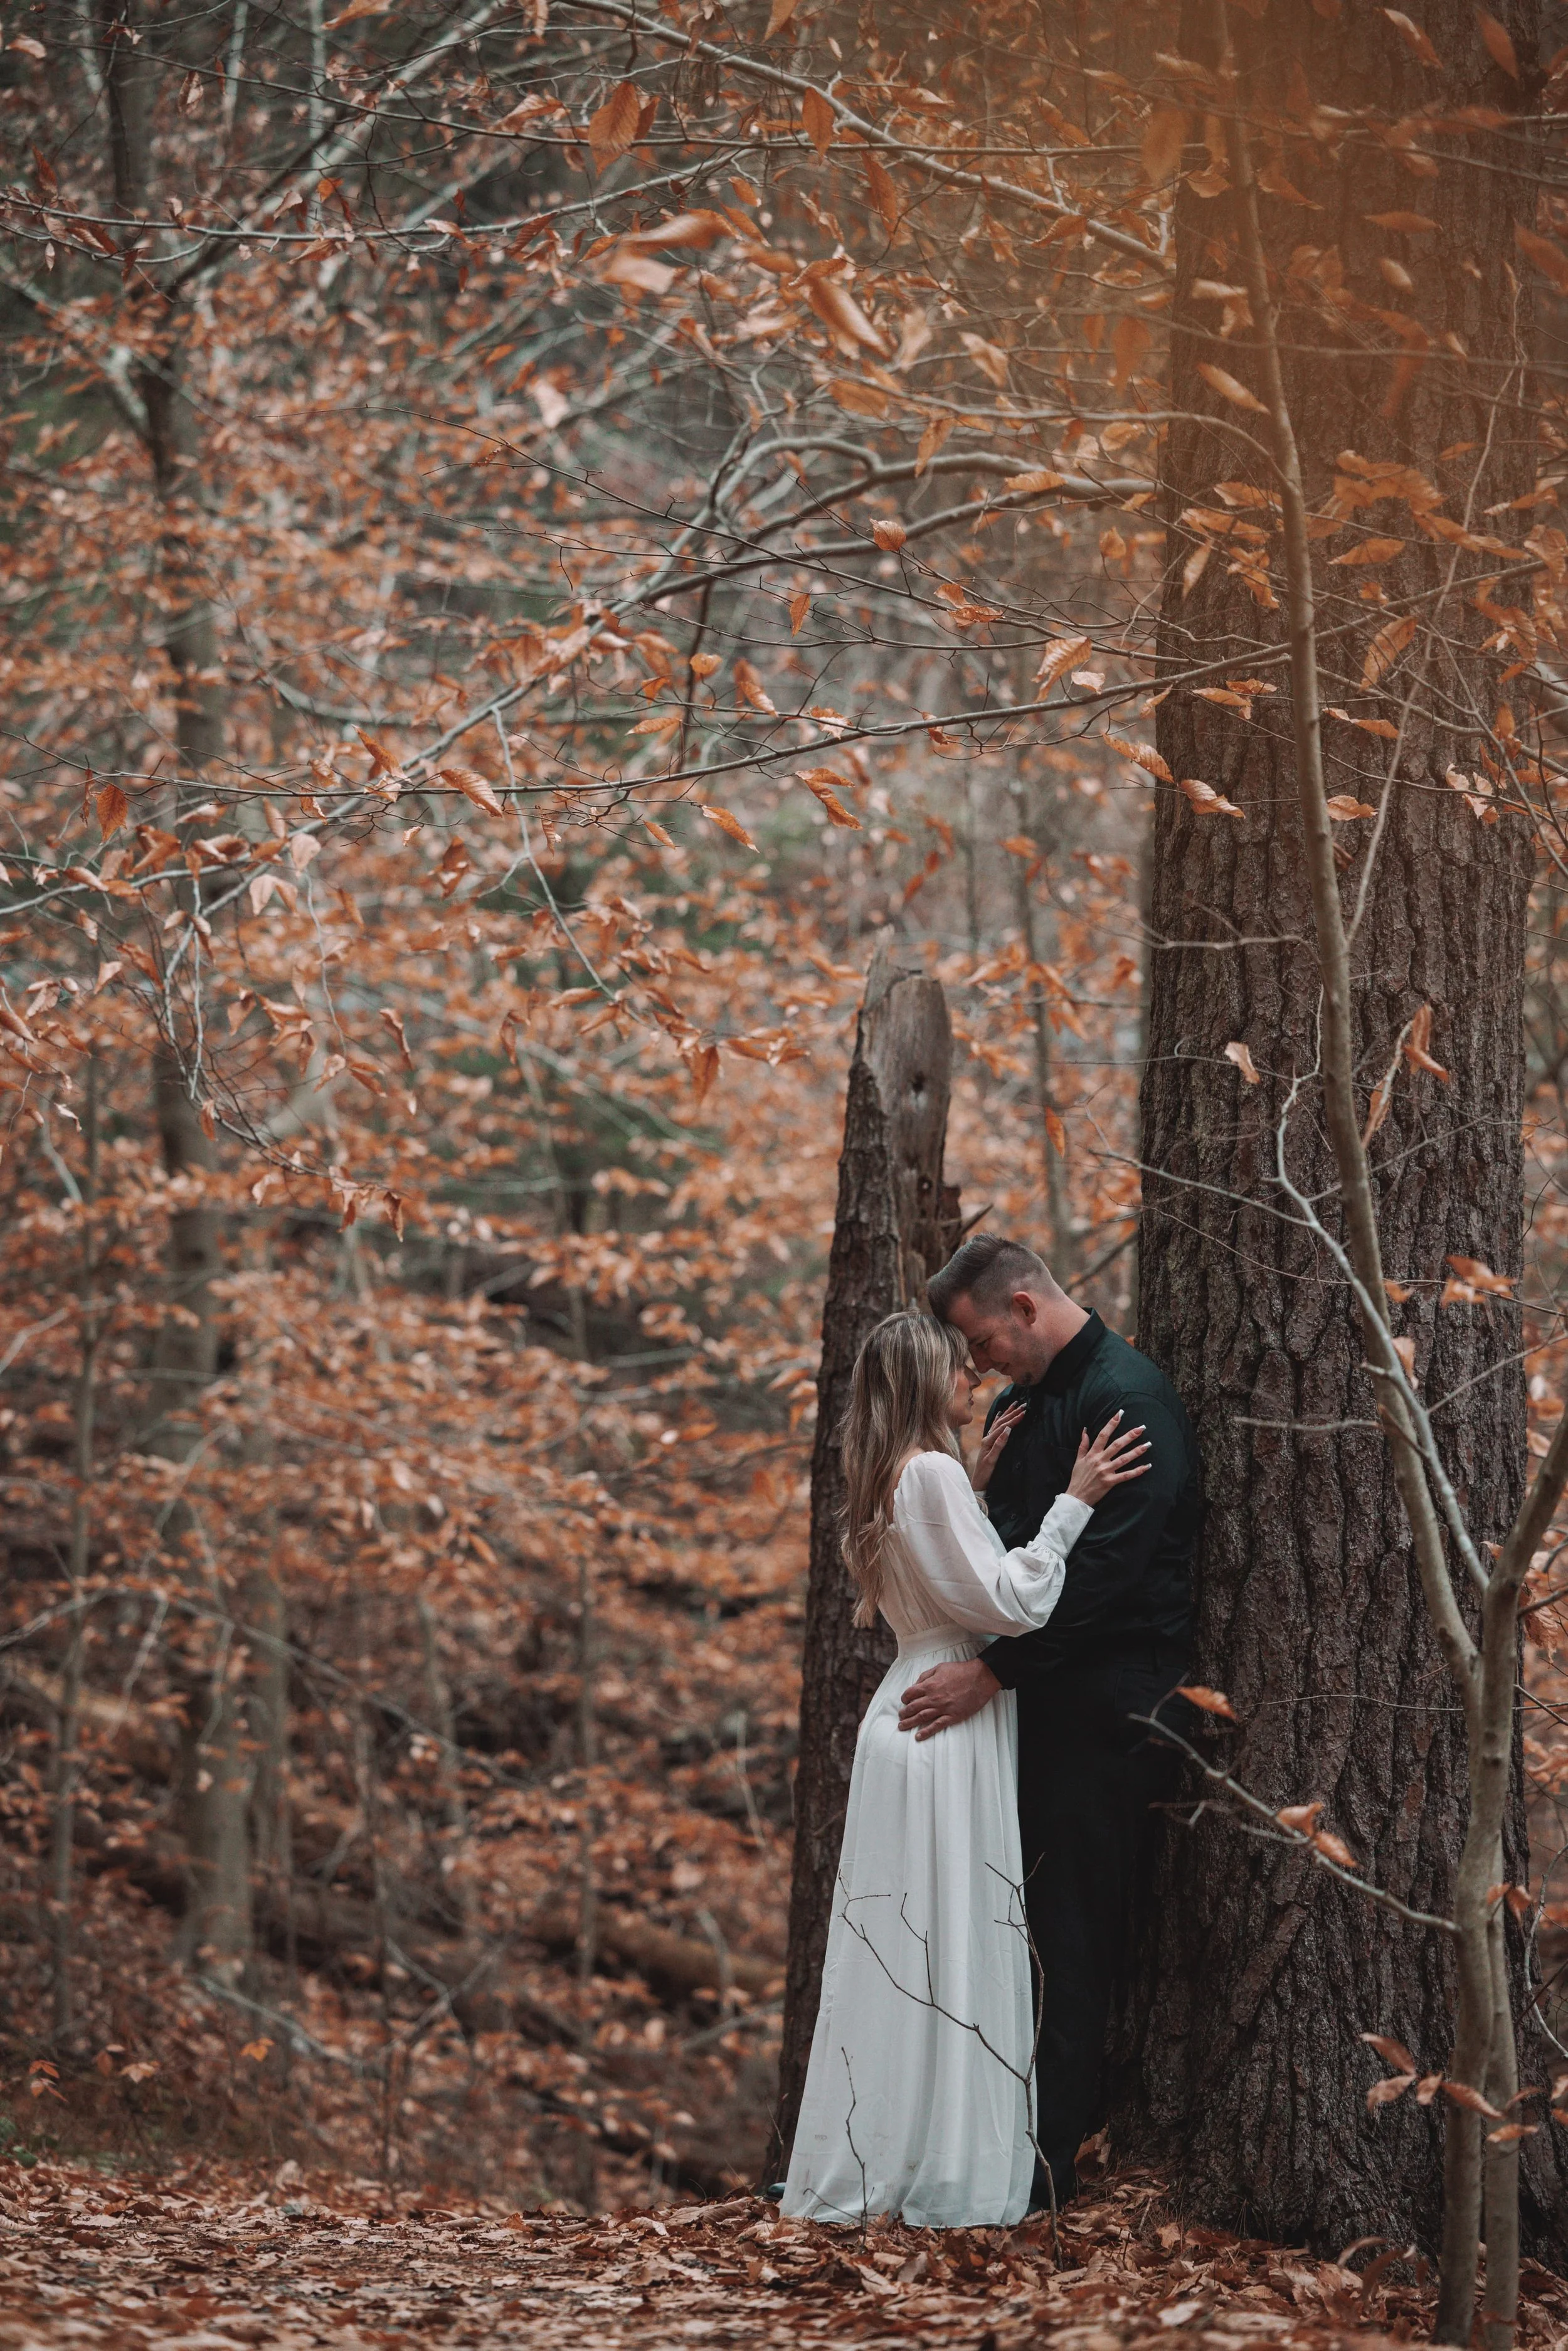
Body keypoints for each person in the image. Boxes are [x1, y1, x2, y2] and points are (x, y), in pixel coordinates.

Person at [781, 1308, 1150, 2229]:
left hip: (908, 1705)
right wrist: (1076, 1500)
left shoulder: (894, 1474)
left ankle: (891, 2156)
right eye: (956, 1367)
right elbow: (1013, 1604)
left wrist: (977, 1493)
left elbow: (943, 1579)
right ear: (921, 1380)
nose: (973, 1380)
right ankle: (947, 2168)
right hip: (946, 1722)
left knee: (910, 1948)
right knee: (947, 1939)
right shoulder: (932, 1471)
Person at [901, 1233, 1202, 2207]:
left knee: (1069, 1936)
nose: (975, 1365)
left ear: (1024, 1308)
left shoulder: (1129, 1398)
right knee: (1008, 1925)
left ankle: (1046, 2174)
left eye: (981, 1341)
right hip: (1029, 1706)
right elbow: (1005, 1571)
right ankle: (982, 2143)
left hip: (1109, 1710)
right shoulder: (1017, 1405)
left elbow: (1107, 1579)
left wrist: (993, 1673)